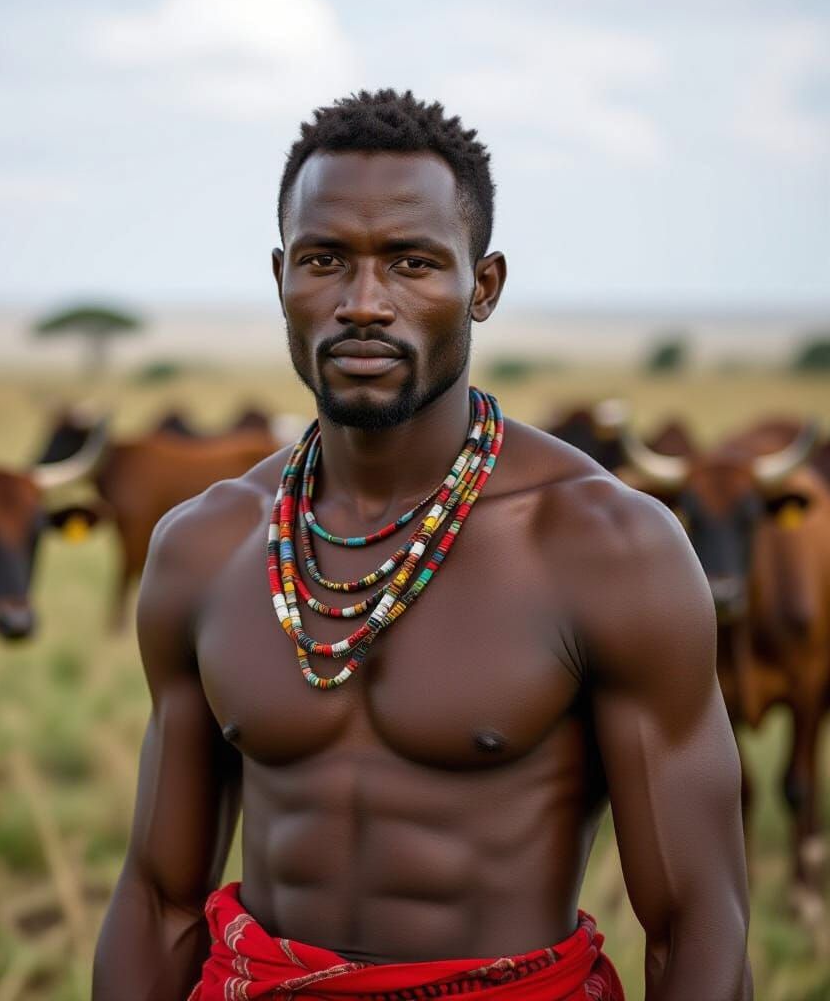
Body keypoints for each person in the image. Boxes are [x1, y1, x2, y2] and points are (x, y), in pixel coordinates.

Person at [93, 89, 751, 1000]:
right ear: (281, 276)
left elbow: (698, 923)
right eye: (326, 261)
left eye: (411, 264)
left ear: (482, 287)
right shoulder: (204, 547)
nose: (364, 304)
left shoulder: (607, 548)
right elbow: (158, 901)